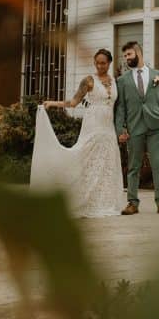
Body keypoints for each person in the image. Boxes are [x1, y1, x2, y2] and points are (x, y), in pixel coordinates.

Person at [30, 48, 123, 218]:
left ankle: (104, 202)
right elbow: (73, 102)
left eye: (103, 63)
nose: (100, 66)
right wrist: (52, 103)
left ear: (109, 63)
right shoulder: (88, 80)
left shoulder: (115, 81)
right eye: (97, 63)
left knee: (106, 164)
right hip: (93, 125)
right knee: (87, 161)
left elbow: (117, 105)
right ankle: (80, 200)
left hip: (108, 128)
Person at [115, 41, 159, 215]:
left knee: (157, 165)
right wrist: (121, 130)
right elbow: (121, 107)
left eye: (129, 55)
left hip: (156, 127)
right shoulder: (122, 80)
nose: (126, 59)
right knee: (133, 167)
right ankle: (132, 203)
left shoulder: (158, 75)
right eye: (124, 56)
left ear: (138, 53)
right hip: (134, 128)